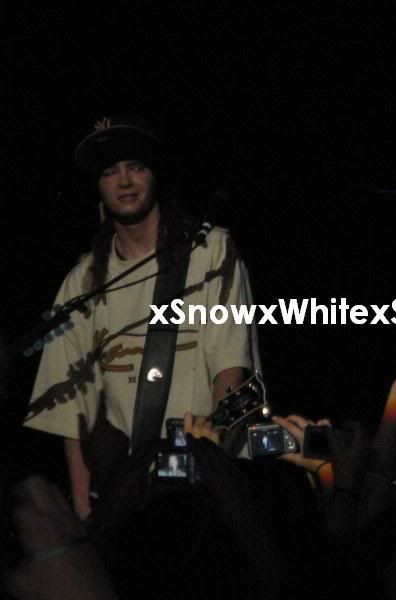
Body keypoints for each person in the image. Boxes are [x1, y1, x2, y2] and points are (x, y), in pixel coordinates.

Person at [23, 116, 258, 520]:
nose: (124, 181)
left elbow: (230, 366)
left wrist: (214, 457)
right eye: (109, 172)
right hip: (124, 495)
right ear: (98, 187)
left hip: (206, 485)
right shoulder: (82, 282)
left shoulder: (209, 253)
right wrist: (83, 506)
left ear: (155, 174)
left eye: (136, 166)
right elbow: (74, 410)